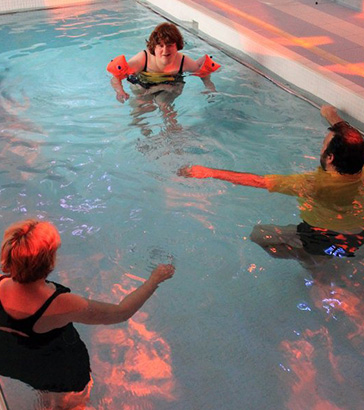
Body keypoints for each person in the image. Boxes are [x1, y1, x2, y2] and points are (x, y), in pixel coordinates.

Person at [0, 219, 174, 409]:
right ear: (50, 262)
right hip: (57, 370)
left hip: (12, 361)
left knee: (43, 389)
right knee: (72, 403)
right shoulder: (61, 304)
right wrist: (154, 280)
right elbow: (122, 312)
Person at [178, 105, 364, 263]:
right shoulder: (359, 162)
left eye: (323, 146)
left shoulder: (314, 184)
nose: (321, 148)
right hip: (357, 235)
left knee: (259, 235)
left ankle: (311, 265)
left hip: (321, 237)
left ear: (330, 158)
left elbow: (258, 181)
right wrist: (332, 116)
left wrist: (209, 172)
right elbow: (355, 142)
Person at [107, 22, 219, 103]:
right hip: (143, 84)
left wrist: (209, 87)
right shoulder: (143, 59)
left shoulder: (183, 61)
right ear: (153, 47)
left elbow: (202, 72)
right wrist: (120, 91)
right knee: (141, 108)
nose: (165, 50)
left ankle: (174, 131)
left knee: (164, 105)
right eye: (161, 46)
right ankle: (144, 134)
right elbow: (116, 77)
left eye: (170, 45)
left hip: (170, 84)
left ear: (177, 46)